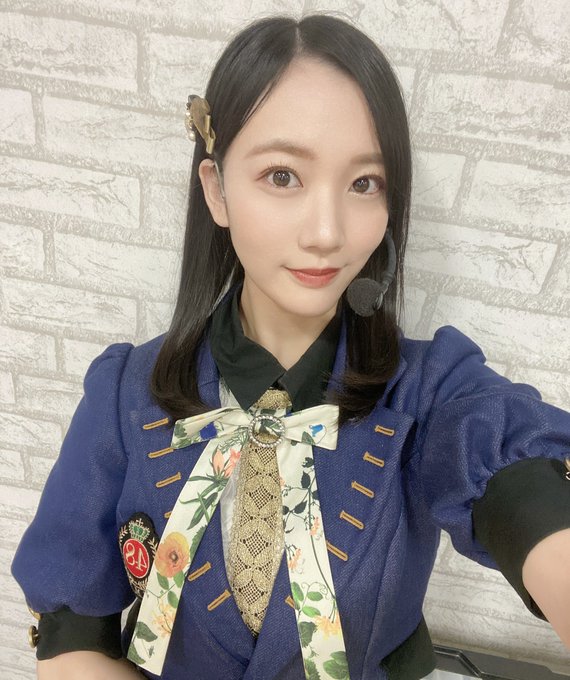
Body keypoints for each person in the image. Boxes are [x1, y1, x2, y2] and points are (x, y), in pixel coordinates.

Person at [11, 13, 570, 680]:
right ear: (218, 190)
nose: (328, 232)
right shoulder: (123, 393)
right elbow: (72, 635)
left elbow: (514, 478)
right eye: (282, 176)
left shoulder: (429, 390)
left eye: (364, 183)